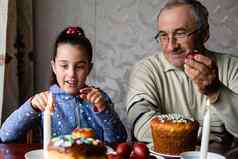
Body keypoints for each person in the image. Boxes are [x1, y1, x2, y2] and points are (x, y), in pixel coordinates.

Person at [127, 0, 238, 148]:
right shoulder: (145, 70)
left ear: (204, 34)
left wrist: (216, 91)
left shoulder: (232, 66)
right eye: (163, 35)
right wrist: (210, 137)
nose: (171, 46)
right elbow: (141, 126)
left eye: (180, 33)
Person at [0, 26, 127, 145]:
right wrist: (31, 105)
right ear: (54, 67)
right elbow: (5, 135)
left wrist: (103, 109)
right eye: (64, 66)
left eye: (80, 67)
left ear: (89, 68)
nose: (71, 74)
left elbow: (119, 141)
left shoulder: (100, 99)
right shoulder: (44, 102)